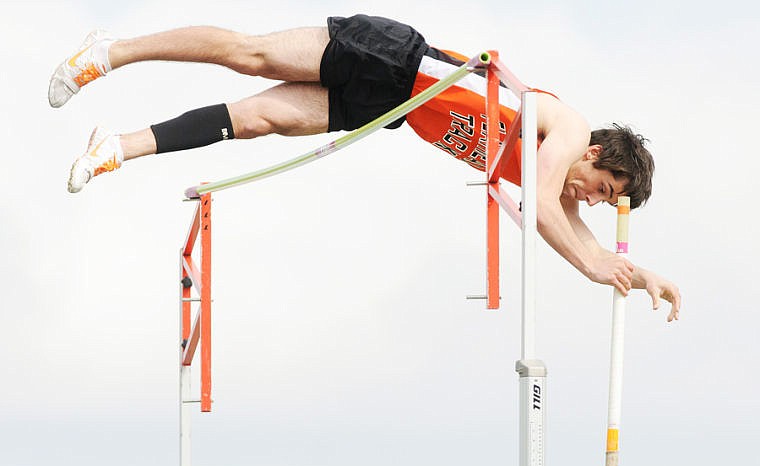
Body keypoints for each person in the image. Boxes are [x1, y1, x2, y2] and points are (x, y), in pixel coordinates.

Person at [49, 14, 681, 321]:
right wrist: (593, 265)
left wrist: (630, 271)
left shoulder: (560, 179)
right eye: (601, 189)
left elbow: (575, 230)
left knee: (254, 121)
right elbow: (550, 213)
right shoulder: (566, 131)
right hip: (397, 60)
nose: (591, 200)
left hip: (393, 108)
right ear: (595, 155)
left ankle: (118, 146)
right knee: (254, 56)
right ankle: (111, 52)